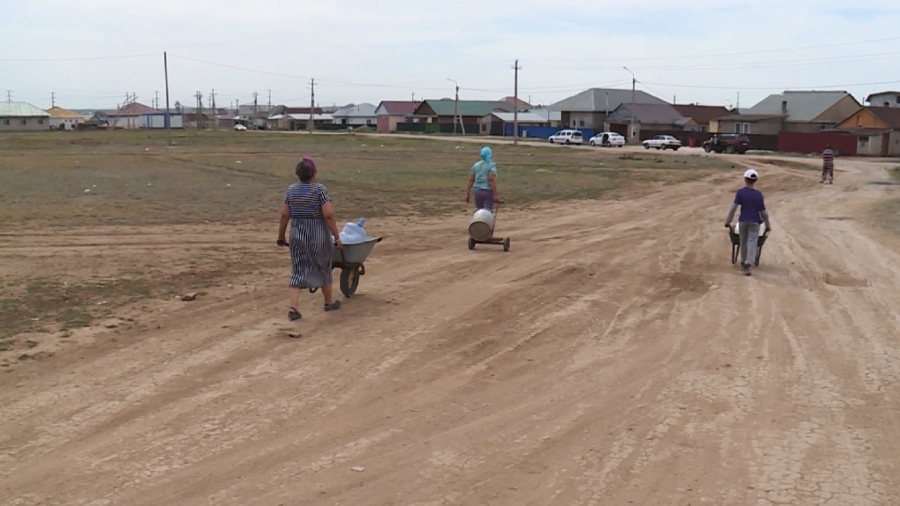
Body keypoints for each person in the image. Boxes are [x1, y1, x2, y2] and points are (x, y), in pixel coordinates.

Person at [277, 156, 343, 320]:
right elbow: (328, 215)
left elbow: (285, 214)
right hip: (318, 234)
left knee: (298, 269)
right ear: (313, 173)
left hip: (297, 234)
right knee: (323, 266)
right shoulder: (319, 190)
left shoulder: (291, 190)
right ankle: (328, 302)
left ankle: (293, 308)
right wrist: (337, 237)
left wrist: (281, 236)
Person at [724, 169, 772, 276]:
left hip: (743, 221)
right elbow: (763, 212)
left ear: (745, 179)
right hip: (755, 222)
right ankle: (748, 263)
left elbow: (733, 208)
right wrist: (768, 225)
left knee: (743, 241)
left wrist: (728, 221)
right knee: (752, 242)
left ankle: (743, 261)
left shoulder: (741, 192)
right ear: (756, 180)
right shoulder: (758, 194)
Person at [465, 146, 501, 211]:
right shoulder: (491, 166)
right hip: (487, 191)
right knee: (487, 212)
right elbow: (491, 180)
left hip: (477, 191)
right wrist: (495, 195)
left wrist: (467, 194)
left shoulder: (476, 165)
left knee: (480, 211)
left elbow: (471, 180)